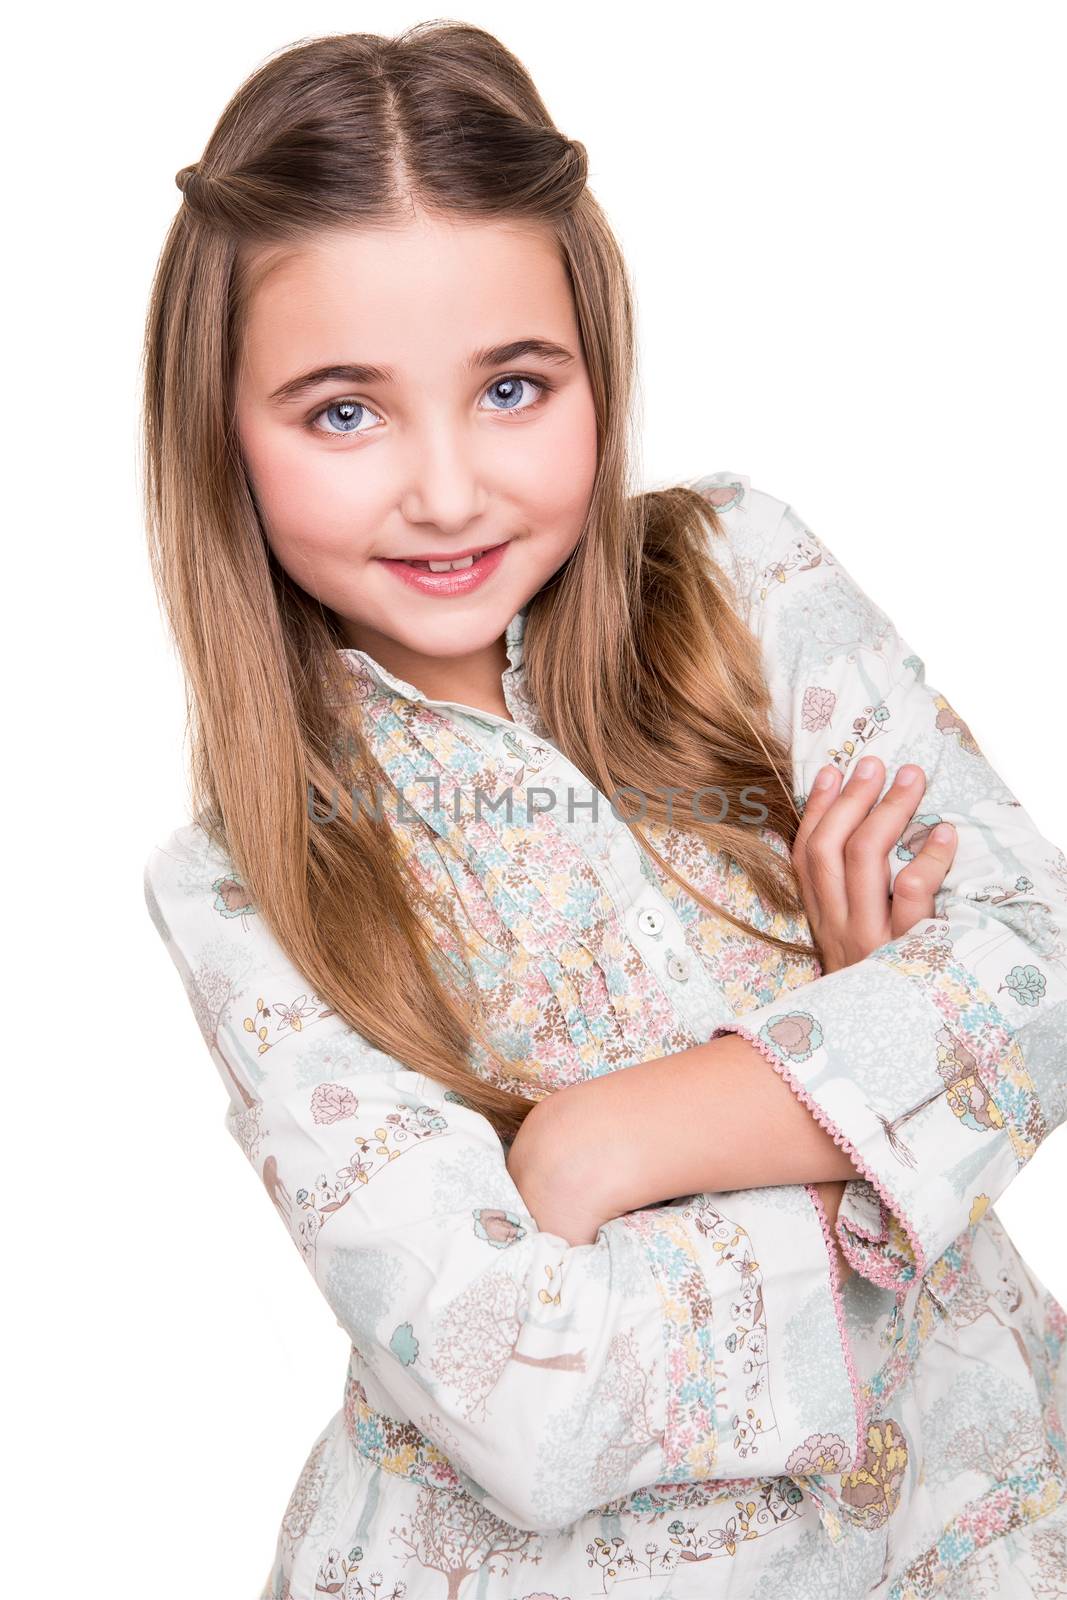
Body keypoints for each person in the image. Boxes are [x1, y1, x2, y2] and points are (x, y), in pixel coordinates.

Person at [140, 23, 1067, 1599]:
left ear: (596, 366)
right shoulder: (243, 883)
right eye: (343, 412)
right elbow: (530, 1407)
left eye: (511, 386)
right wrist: (869, 1083)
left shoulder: (738, 583)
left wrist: (593, 1141)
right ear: (221, 429)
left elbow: (1035, 977)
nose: (447, 490)